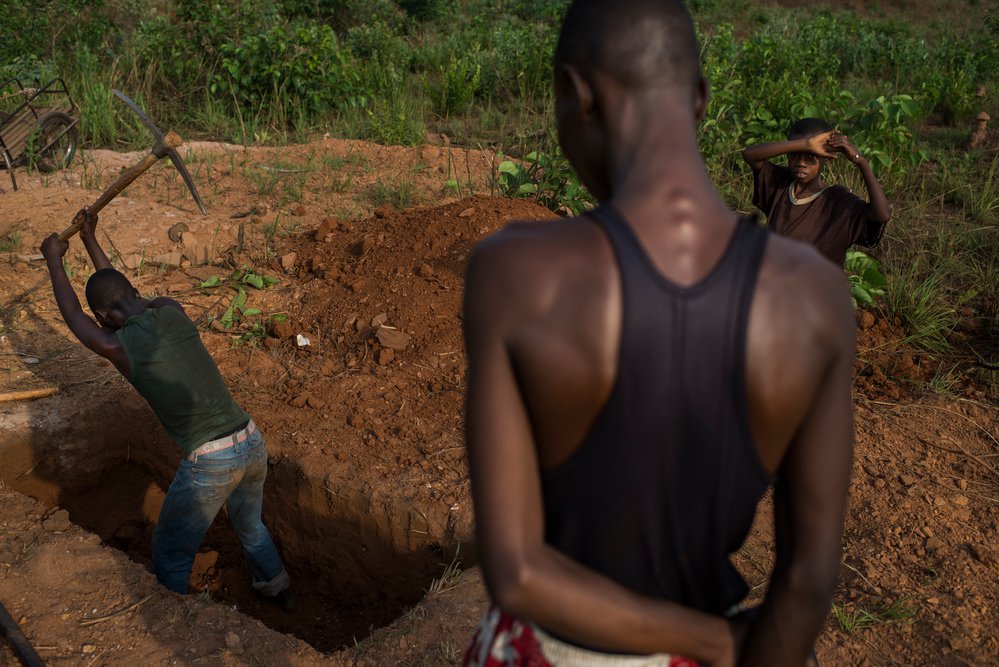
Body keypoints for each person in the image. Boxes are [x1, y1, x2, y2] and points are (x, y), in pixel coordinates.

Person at [461, 1, 855, 665]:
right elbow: (809, 578)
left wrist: (713, 645)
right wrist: (731, 644)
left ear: (575, 94)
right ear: (699, 97)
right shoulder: (814, 297)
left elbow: (518, 571)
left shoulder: (516, 273)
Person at [40, 209, 295, 612]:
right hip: (250, 439)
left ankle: (178, 623)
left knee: (171, 553)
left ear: (104, 320)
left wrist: (53, 259)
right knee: (251, 528)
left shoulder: (118, 348)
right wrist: (90, 238)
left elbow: (75, 318)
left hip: (212, 461)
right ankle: (278, 588)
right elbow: (128, 297)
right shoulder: (173, 311)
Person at [741, 117, 892, 266]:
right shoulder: (780, 183)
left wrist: (861, 161)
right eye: (795, 154)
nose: (801, 163)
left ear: (827, 158)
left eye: (811, 156)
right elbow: (749, 155)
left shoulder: (839, 202)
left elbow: (882, 215)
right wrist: (806, 145)